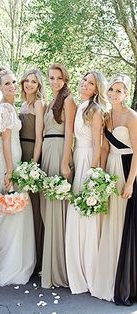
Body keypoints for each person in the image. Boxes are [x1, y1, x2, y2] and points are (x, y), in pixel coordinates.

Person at [92, 75, 137, 305]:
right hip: (110, 170)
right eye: (111, 89)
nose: (114, 94)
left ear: (126, 94)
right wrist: (98, 174)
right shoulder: (107, 115)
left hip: (127, 169)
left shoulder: (131, 117)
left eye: (119, 91)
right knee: (110, 221)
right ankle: (107, 274)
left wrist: (130, 183)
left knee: (123, 224)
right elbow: (104, 149)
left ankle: (123, 279)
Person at [0, 67, 36, 286]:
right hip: (11, 163)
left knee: (11, 209)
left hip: (14, 161)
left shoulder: (8, 106)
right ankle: (10, 264)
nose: (12, 86)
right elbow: (6, 143)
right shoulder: (5, 109)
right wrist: (10, 171)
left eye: (13, 82)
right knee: (12, 209)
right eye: (7, 83)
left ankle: (7, 261)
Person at [65, 70, 109, 294]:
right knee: (77, 214)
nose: (85, 84)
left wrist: (93, 172)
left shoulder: (96, 110)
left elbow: (98, 144)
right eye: (84, 80)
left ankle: (89, 270)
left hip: (87, 162)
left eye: (90, 83)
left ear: (96, 89)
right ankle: (77, 269)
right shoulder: (81, 106)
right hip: (77, 157)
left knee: (86, 215)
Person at [40, 64, 76, 288]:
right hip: (46, 150)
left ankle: (59, 269)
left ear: (65, 79)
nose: (54, 81)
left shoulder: (69, 100)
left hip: (59, 150)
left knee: (56, 208)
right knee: (46, 208)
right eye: (51, 78)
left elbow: (70, 131)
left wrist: (65, 162)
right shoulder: (50, 101)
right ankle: (50, 262)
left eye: (58, 78)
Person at [19, 69, 46, 274]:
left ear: (39, 85)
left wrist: (33, 165)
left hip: (31, 153)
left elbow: (39, 137)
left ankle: (38, 260)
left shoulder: (38, 104)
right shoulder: (22, 104)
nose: (29, 84)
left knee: (35, 206)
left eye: (34, 82)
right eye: (27, 81)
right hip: (19, 152)